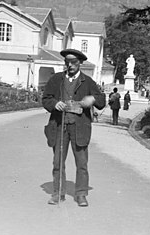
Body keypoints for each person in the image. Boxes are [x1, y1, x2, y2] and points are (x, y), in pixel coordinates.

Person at [42, 49, 106, 207]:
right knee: (58, 162)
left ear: (80, 63)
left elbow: (101, 100)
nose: (70, 65)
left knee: (82, 163)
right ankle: (58, 193)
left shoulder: (88, 82)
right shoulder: (56, 79)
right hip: (59, 126)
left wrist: (92, 98)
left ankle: (81, 194)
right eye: (67, 62)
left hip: (80, 128)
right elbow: (46, 98)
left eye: (74, 62)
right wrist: (54, 103)